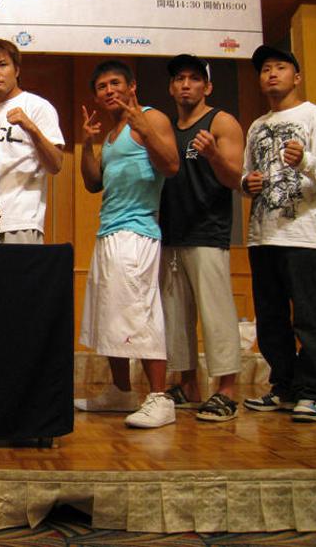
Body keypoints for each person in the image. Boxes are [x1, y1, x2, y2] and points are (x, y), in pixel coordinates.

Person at [75, 60, 180, 428]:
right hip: (108, 231)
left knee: (140, 312)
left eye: (115, 83)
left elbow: (172, 165)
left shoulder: (150, 118)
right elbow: (93, 183)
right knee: (110, 314)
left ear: (132, 86)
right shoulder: (110, 134)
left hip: (138, 231)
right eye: (102, 87)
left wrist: (145, 129)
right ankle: (121, 392)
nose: (109, 91)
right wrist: (88, 144)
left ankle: (160, 398)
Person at [241, 45, 316, 423]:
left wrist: (306, 160)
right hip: (261, 235)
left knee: (310, 317)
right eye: (265, 69)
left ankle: (313, 392)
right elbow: (247, 174)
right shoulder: (256, 125)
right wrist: (246, 183)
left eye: (280, 67)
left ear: (296, 77)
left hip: (303, 236)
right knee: (270, 319)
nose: (271, 74)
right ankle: (283, 386)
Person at [158, 55, 245, 422]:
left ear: (207, 86)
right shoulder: (167, 128)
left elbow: (235, 179)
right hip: (171, 233)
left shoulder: (221, 121)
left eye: (194, 78)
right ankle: (188, 385)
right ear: (171, 87)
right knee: (175, 316)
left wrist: (213, 156)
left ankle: (226, 390)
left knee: (216, 315)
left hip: (208, 232)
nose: (186, 85)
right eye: (179, 78)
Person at [0, 38, 64, 243]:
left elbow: (55, 164)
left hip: (20, 222)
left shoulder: (37, 106)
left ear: (16, 70)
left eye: (2, 65)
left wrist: (31, 128)